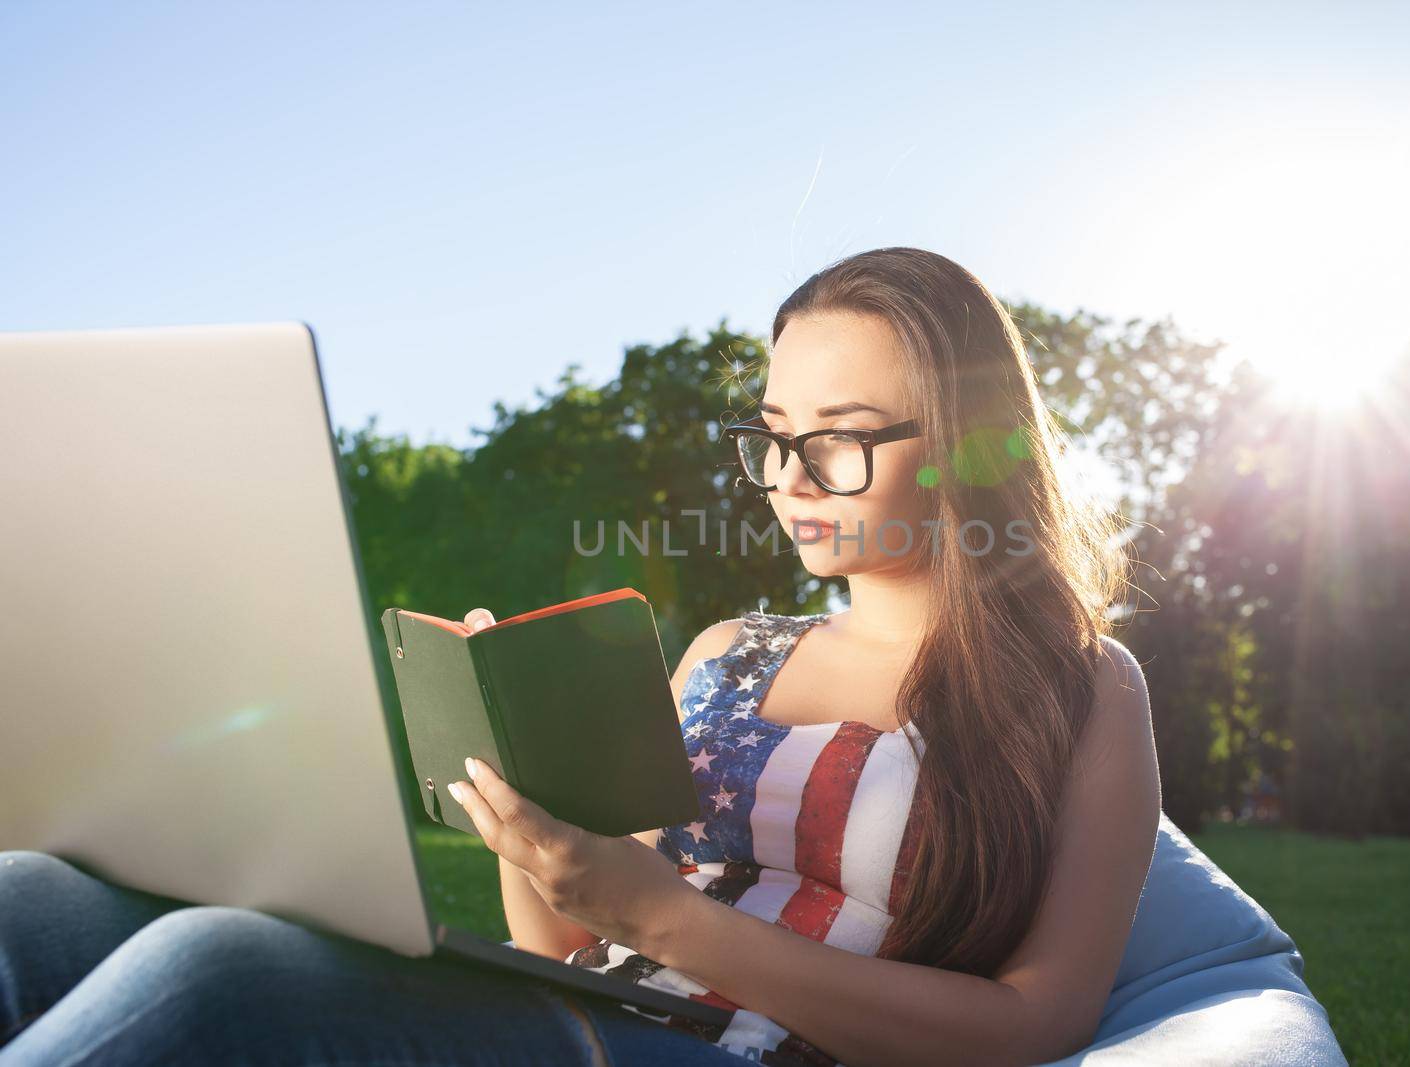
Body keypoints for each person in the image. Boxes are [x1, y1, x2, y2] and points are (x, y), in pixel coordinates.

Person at [0, 247, 1160, 1066]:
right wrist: (527, 793)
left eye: (841, 440)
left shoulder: (1077, 684)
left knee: (221, 971)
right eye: (768, 434)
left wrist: (668, 921)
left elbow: (1032, 1025)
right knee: (31, 897)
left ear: (961, 447)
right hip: (589, 1013)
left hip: (746, 1051)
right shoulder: (726, 651)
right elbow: (556, 944)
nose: (787, 478)